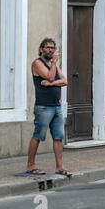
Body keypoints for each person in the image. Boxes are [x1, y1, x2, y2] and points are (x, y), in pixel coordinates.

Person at [26, 38, 70, 176]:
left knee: (58, 136)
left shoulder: (53, 65)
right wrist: (55, 64)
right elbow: (50, 77)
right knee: (38, 135)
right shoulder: (37, 63)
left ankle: (59, 167)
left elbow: (64, 81)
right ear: (41, 49)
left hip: (56, 106)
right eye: (47, 47)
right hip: (43, 107)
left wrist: (51, 84)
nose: (50, 50)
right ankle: (30, 165)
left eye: (52, 48)